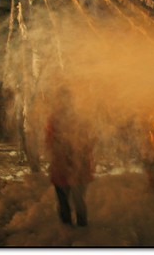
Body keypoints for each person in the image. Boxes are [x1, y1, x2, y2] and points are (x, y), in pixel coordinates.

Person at [45, 89, 95, 226]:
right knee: (78, 200)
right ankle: (80, 230)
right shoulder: (79, 118)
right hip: (75, 166)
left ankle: (68, 231)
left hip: (65, 166)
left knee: (65, 201)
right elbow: (89, 142)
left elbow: (49, 143)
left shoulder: (54, 120)